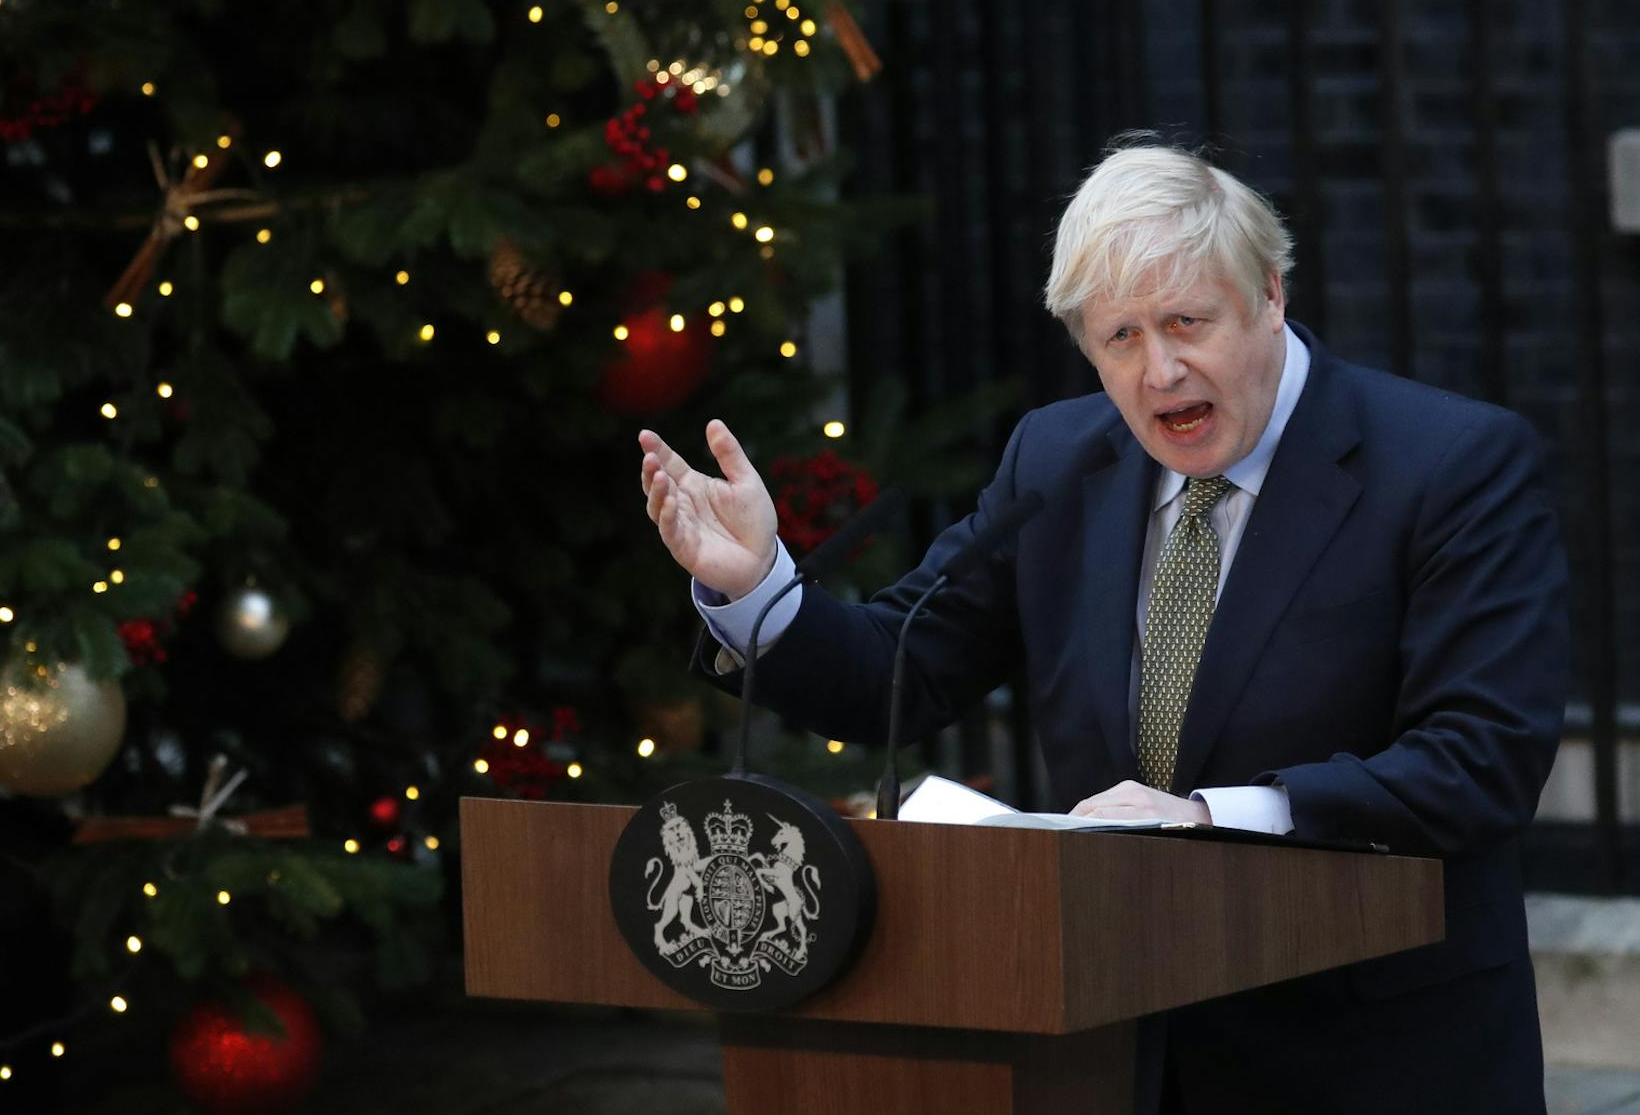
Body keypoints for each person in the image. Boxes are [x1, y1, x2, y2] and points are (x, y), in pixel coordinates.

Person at [636, 140, 1569, 1115]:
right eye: (1119, 336)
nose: (1160, 370)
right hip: (1109, 1052)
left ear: (1270, 295)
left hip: (1371, 1060)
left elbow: (1482, 759)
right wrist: (754, 585)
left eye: (1186, 322)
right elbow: (895, 673)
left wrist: (1213, 815)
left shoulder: (1451, 463)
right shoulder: (1057, 459)